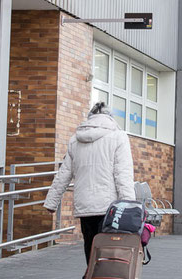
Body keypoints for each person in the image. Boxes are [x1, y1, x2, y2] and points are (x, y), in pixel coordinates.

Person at [44, 102, 135, 273]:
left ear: (90, 119)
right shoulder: (119, 137)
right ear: (110, 118)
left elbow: (63, 174)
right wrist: (128, 205)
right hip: (110, 209)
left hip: (85, 207)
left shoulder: (75, 140)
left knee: (91, 251)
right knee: (109, 253)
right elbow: (123, 175)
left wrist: (51, 203)